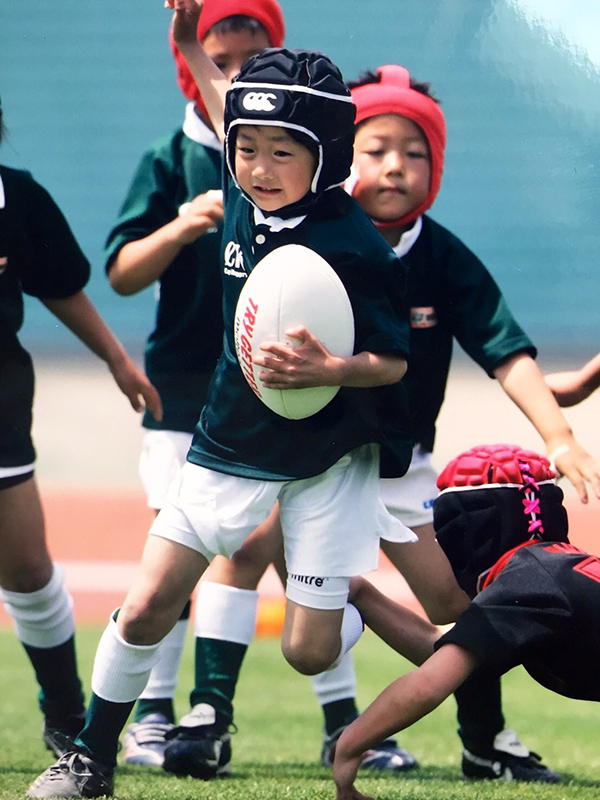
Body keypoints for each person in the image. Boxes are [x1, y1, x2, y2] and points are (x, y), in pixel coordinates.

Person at [166, 62, 600, 784]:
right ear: (338, 156)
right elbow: (228, 117)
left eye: (415, 151)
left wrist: (557, 432)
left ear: (437, 165)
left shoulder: (446, 257)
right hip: (304, 455)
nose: (395, 166)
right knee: (242, 554)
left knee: (460, 602)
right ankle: (206, 717)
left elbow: (508, 353)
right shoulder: (304, 229)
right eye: (376, 149)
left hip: (397, 462)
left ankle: (483, 740)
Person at [26, 2, 418, 796]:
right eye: (246, 150)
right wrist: (181, 41)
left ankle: (348, 588)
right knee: (143, 608)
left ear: (326, 154)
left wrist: (334, 369)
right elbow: (220, 98)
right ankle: (90, 759)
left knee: (311, 651)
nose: (259, 168)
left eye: (282, 153)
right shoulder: (244, 192)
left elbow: (394, 364)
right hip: (228, 441)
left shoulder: (354, 246)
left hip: (327, 461)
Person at [103, 0, 286, 769]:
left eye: (255, 56)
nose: (237, 72)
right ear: (192, 61)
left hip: (263, 395)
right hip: (181, 389)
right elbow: (118, 274)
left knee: (264, 552)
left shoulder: (284, 161)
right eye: (223, 57)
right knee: (169, 559)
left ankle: (331, 719)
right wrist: (180, 227)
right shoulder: (169, 157)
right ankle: (151, 714)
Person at [0, 96, 162, 761]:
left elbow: (60, 286)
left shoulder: (18, 198)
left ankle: (66, 710)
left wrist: (118, 361)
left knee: (28, 569)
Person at [332, 442, 600, 800]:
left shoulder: (527, 582)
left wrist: (349, 746)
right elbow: (447, 657)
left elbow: (429, 684)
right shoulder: (547, 572)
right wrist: (365, 597)